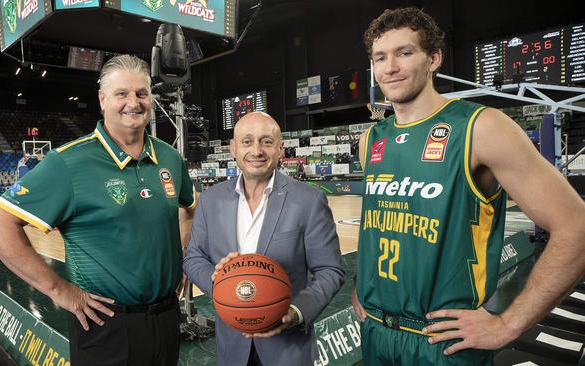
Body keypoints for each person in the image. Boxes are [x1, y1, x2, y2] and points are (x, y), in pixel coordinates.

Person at [352, 7, 585, 366]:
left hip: (443, 344)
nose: (390, 67)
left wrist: (508, 324)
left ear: (434, 58)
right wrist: (360, 287)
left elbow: (576, 226)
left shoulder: (482, 128)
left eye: (404, 52)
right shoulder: (372, 141)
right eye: (379, 57)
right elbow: (380, 225)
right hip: (376, 333)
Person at [0, 54, 197, 366]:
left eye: (141, 93)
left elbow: (189, 207)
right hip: (105, 325)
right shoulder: (68, 163)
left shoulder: (170, 158)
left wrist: (185, 257)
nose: (132, 102)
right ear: (102, 99)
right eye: (121, 93)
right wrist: (59, 291)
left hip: (166, 318)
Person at [183, 112, 345, 365]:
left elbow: (330, 270)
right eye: (247, 142)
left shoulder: (308, 200)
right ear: (233, 149)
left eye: (266, 142)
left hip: (287, 349)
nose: (256, 150)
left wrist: (295, 312)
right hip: (231, 348)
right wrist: (221, 283)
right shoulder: (211, 200)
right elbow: (194, 258)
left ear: (280, 149)